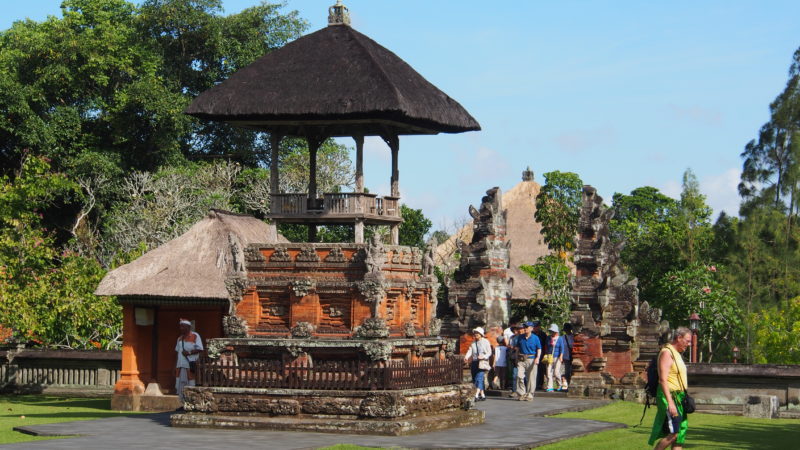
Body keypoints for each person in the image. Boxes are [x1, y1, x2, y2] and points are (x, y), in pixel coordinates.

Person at [649, 327, 692, 450]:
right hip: (670, 396)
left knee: (680, 435)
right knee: (673, 433)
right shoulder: (667, 352)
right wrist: (670, 403)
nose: (688, 345)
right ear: (679, 338)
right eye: (687, 341)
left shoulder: (676, 353)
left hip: (680, 397)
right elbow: (662, 379)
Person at [175, 319, 203, 406]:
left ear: (188, 327)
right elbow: (177, 352)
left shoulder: (195, 336)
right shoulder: (179, 338)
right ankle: (182, 404)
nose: (181, 328)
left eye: (183, 326)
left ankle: (191, 403)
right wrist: (174, 366)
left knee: (191, 383)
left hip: (190, 365)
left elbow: (200, 349)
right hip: (180, 365)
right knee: (180, 385)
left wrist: (189, 353)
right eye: (180, 326)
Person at [514, 321, 542, 401]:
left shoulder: (535, 338)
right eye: (524, 327)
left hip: (531, 358)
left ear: (531, 328)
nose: (525, 328)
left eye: (527, 327)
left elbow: (539, 348)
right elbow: (518, 349)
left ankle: (530, 394)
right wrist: (516, 358)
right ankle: (521, 393)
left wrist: (537, 358)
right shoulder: (520, 337)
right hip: (521, 359)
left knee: (531, 378)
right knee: (519, 376)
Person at [464, 327, 492, 402]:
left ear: (481, 334)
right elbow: (470, 350)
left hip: (482, 362)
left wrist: (484, 356)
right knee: (475, 379)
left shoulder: (486, 341)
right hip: (475, 362)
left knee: (479, 378)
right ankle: (482, 394)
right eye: (475, 332)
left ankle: (476, 395)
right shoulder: (473, 343)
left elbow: (489, 352)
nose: (475, 334)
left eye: (477, 333)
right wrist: (466, 357)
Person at [545, 323, 568, 392]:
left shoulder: (560, 338)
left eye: (553, 331)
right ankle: (550, 386)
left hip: (557, 357)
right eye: (551, 331)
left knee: (556, 372)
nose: (552, 332)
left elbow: (562, 348)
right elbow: (546, 347)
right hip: (550, 357)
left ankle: (559, 384)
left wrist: (561, 356)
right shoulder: (548, 338)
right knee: (548, 372)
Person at [532, 321, 548, 390]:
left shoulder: (543, 335)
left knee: (541, 369)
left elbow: (545, 345)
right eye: (534, 327)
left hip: (541, 354)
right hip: (532, 353)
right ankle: (533, 384)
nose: (535, 328)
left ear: (539, 327)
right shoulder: (531, 334)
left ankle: (540, 384)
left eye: (536, 326)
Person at [560, 323, 574, 391]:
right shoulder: (562, 338)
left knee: (573, 371)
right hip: (566, 357)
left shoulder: (573, 337)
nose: (567, 331)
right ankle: (568, 384)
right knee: (567, 372)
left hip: (573, 356)